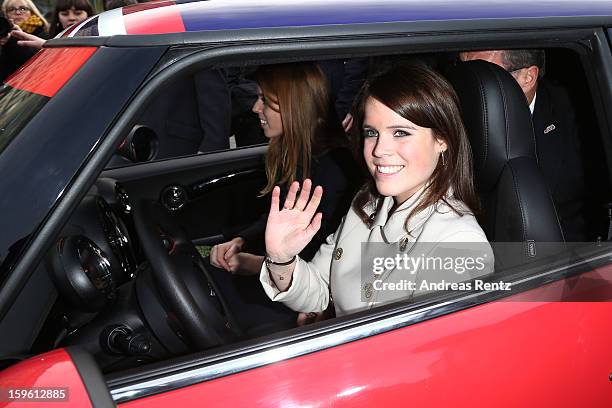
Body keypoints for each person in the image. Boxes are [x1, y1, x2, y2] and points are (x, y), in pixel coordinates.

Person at [259, 64, 494, 316]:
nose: (379, 150)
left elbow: (425, 352)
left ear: (442, 140)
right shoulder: (367, 204)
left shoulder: (457, 243)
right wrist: (281, 259)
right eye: (372, 133)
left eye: (401, 133)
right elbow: (320, 291)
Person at [207, 62, 359, 332]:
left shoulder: (334, 170)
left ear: (294, 105)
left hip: (306, 296)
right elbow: (280, 219)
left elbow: (324, 256)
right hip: (285, 277)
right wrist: (242, 240)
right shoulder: (294, 152)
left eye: (265, 100)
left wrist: (257, 266)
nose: (255, 108)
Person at [459, 49, 586, 241]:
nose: (470, 87)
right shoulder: (458, 111)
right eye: (465, 74)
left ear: (528, 77)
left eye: (485, 77)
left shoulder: (577, 112)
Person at [9, 0, 93, 50]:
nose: (71, 18)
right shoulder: (49, 36)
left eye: (78, 13)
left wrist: (49, 46)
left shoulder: (104, 36)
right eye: (64, 14)